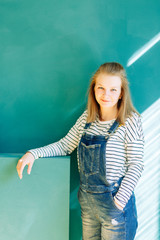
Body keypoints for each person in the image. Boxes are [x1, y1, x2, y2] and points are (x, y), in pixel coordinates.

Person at [16, 62, 144, 240]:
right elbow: (64, 145)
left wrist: (118, 203)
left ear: (122, 92)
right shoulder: (87, 119)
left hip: (114, 204)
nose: (106, 94)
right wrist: (33, 153)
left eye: (113, 89)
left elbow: (136, 165)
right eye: (101, 88)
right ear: (93, 89)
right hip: (88, 203)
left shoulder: (130, 121)